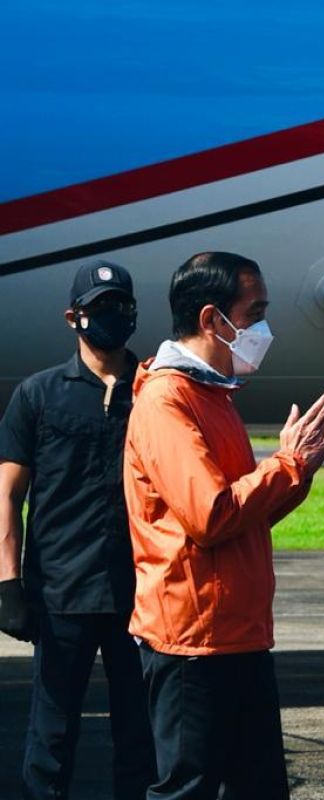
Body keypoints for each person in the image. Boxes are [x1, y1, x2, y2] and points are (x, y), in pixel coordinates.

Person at [124, 251, 324, 800]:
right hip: (192, 639)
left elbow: (246, 515)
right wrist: (285, 464)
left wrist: (297, 473)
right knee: (190, 788)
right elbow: (212, 515)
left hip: (236, 632)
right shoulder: (167, 399)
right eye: (254, 313)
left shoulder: (213, 394)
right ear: (210, 320)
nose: (262, 329)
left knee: (260, 785)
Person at [0, 260, 156, 799]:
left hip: (139, 597)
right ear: (74, 317)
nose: (110, 317)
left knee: (140, 736)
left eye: (119, 307)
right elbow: (8, 496)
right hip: (60, 596)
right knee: (52, 735)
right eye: (97, 309)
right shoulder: (39, 395)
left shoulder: (157, 393)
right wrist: (8, 585)